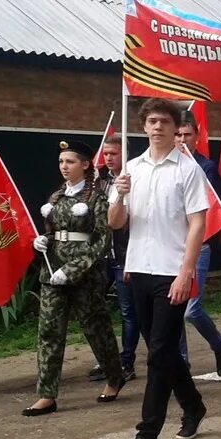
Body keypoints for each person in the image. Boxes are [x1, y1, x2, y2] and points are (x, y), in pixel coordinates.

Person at [109, 98, 210, 439]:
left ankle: (146, 435)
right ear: (144, 126)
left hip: (172, 271)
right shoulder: (130, 170)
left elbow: (198, 223)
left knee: (158, 353)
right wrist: (119, 196)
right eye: (151, 121)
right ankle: (194, 405)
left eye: (164, 122)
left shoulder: (187, 170)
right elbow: (116, 222)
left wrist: (187, 272)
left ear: (174, 127)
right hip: (138, 269)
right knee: (160, 349)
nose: (157, 127)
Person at [23, 140, 124, 415]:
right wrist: (42, 241)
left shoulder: (96, 199)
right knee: (49, 333)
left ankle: (115, 377)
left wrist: (73, 269)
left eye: (69, 162)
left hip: (84, 274)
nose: (64, 167)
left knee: (97, 329)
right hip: (52, 271)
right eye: (61, 162)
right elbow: (54, 231)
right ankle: (46, 394)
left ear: (85, 164)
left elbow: (102, 240)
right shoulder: (56, 198)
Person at [176, 113, 221, 377]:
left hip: (200, 244)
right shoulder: (166, 166)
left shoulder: (205, 167)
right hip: (172, 246)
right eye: (178, 135)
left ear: (197, 137)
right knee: (173, 308)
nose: (182, 140)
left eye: (187, 135)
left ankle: (219, 345)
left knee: (191, 308)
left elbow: (217, 203)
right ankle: (182, 364)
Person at [93, 134, 139, 383]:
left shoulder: (133, 178)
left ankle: (126, 362)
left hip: (124, 253)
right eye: (106, 154)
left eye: (114, 153)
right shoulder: (97, 180)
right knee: (97, 309)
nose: (109, 158)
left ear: (125, 154)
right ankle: (106, 360)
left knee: (127, 311)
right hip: (101, 254)